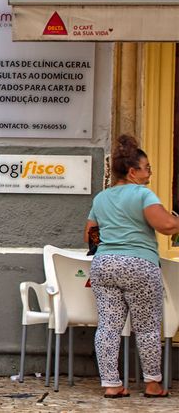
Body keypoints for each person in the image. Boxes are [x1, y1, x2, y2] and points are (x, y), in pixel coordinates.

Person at [85, 134, 179, 398]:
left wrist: (112, 242)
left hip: (104, 264)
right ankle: (152, 384)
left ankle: (112, 385)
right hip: (139, 264)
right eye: (146, 168)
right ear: (132, 171)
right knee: (147, 327)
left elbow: (91, 234)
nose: (149, 172)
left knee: (108, 327)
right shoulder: (142, 194)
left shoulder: (101, 199)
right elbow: (166, 225)